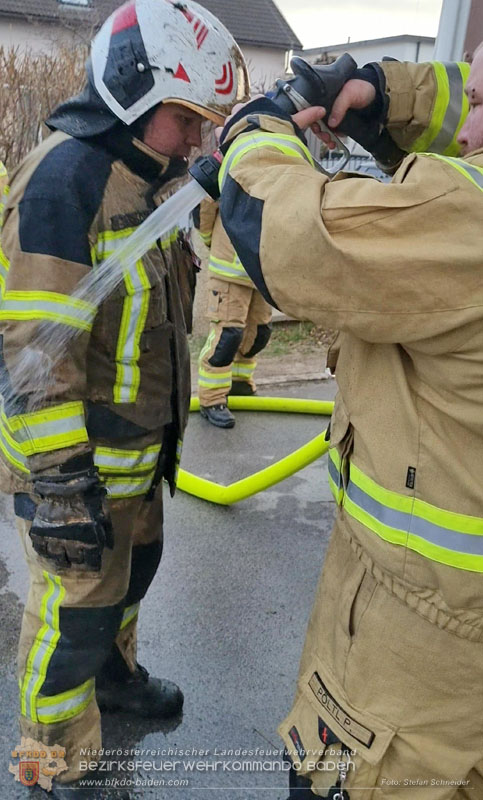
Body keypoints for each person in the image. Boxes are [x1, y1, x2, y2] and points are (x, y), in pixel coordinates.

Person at [216, 49, 483, 799]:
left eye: (481, 104)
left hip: (429, 656)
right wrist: (378, 93)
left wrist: (255, 133)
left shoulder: (467, 215)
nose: (463, 130)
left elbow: (295, 235)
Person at [0, 0, 248, 795]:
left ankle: (115, 677)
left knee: (128, 581)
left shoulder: (154, 175)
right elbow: (32, 356)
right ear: (130, 92)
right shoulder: (64, 182)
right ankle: (52, 761)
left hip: (139, 454)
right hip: (78, 468)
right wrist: (64, 483)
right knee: (72, 616)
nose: (198, 138)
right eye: (186, 119)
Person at [196, 197, 272, 428]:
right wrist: (214, 242)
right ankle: (212, 399)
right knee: (227, 336)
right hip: (229, 269)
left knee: (258, 334)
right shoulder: (226, 165)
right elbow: (205, 207)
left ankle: (239, 382)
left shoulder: (278, 165)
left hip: (260, 270)